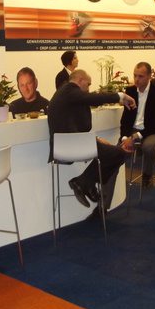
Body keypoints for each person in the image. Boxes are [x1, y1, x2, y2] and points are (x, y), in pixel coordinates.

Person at [48, 69, 135, 217]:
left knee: (115, 153)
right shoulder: (69, 90)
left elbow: (72, 124)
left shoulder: (66, 93)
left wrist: (95, 140)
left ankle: (86, 183)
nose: (88, 88)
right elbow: (93, 98)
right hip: (71, 145)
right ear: (80, 80)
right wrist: (120, 96)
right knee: (120, 153)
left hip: (70, 144)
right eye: (88, 84)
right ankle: (83, 182)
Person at [120, 63, 155, 189]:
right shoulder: (130, 91)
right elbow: (125, 119)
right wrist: (124, 137)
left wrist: (135, 137)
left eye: (140, 76)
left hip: (151, 131)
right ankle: (111, 183)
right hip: (132, 129)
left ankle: (147, 175)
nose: (136, 79)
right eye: (135, 75)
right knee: (116, 149)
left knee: (149, 147)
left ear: (149, 76)